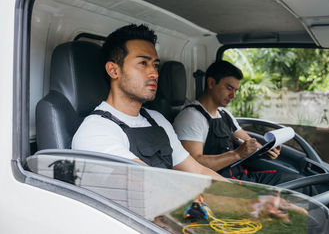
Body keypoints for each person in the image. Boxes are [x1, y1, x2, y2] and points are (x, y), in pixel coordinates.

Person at [72, 24, 221, 178]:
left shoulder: (157, 119)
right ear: (113, 70)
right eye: (143, 63)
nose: (155, 74)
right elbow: (151, 184)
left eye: (155, 65)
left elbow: (198, 171)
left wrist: (241, 198)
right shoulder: (96, 130)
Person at [173, 60, 284, 185]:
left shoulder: (224, 114)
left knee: (292, 180)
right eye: (229, 88)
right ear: (211, 83)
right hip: (219, 186)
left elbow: (249, 142)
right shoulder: (191, 117)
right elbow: (193, 164)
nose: (233, 95)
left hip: (240, 177)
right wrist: (236, 154)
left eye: (236, 90)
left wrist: (265, 151)